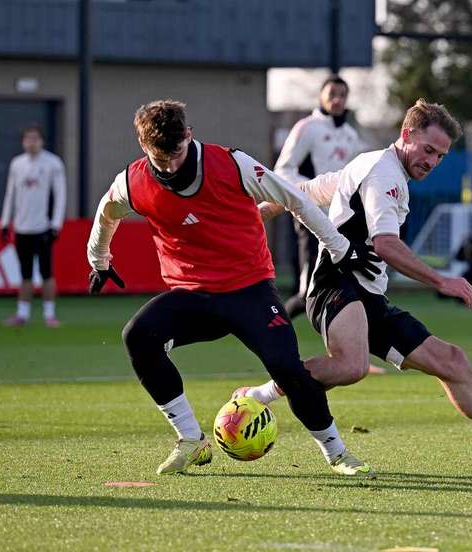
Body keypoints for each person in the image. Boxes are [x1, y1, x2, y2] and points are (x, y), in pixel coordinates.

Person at [240, 99, 472, 473]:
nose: (432, 161)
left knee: (452, 361)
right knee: (351, 367)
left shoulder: (374, 164)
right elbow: (385, 244)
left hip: (367, 293)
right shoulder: (385, 175)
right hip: (335, 283)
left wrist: (265, 208)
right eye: (428, 150)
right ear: (406, 135)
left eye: (441, 156)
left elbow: (317, 188)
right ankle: (258, 396)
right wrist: (441, 280)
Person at [87, 99, 380, 477]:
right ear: (144, 148)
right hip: (192, 297)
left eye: (177, 153)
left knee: (287, 368)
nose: (172, 165)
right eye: (162, 159)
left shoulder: (232, 164)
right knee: (137, 336)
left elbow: (295, 200)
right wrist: (99, 260)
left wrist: (340, 249)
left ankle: (338, 454)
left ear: (189, 136)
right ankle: (191, 440)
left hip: (250, 292)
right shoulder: (133, 181)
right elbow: (106, 213)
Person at [275, 75, 386, 374]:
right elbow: (282, 171)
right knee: (307, 290)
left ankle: (349, 354)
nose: (337, 99)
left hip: (342, 221)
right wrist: (311, 192)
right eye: (332, 93)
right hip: (311, 216)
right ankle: (268, 334)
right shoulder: (307, 128)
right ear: (322, 96)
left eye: (342, 94)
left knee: (349, 286)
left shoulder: (350, 134)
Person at [0, 125, 66, 328]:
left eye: (35, 138)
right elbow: (10, 194)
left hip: (43, 228)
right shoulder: (17, 164)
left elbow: (61, 195)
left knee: (46, 272)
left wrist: (56, 225)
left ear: (42, 141)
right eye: (28, 138)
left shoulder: (53, 163)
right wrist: (4, 222)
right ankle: (22, 314)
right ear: (23, 142)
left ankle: (49, 315)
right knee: (25, 273)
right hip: (21, 228)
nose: (31, 142)